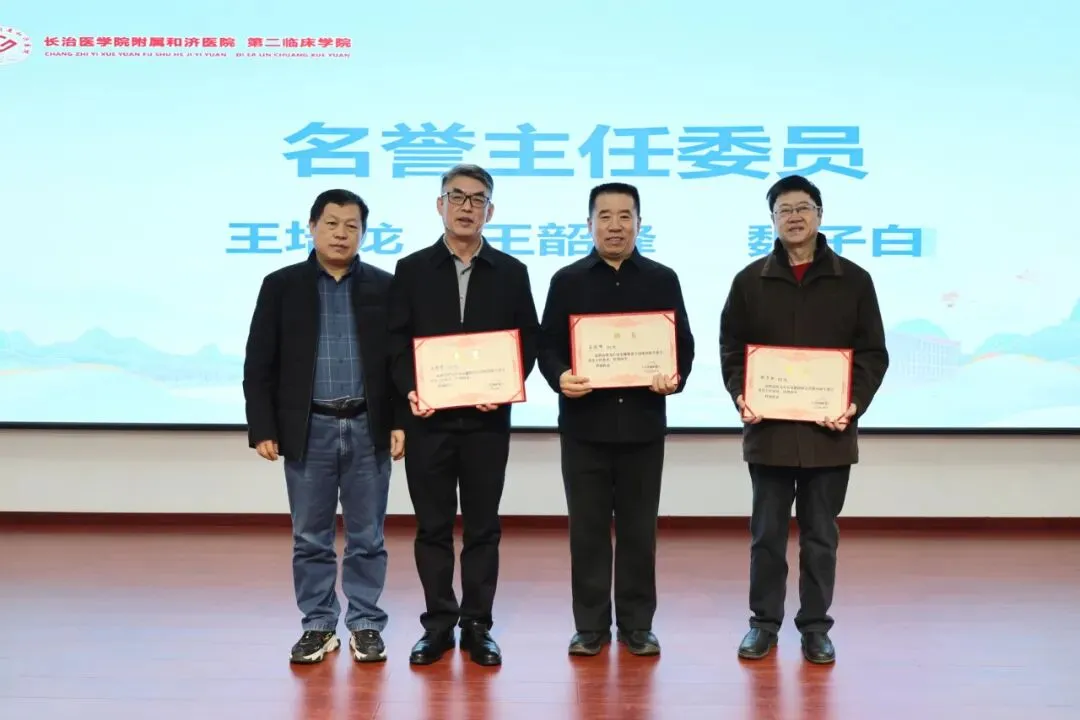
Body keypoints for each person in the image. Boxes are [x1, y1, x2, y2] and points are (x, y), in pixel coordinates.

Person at [719, 174, 889, 664]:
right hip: (769, 431)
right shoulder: (749, 280)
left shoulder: (853, 280)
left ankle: (815, 626)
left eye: (803, 208)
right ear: (772, 220)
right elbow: (732, 349)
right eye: (784, 210)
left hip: (828, 433)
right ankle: (763, 624)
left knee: (820, 537)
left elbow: (872, 353)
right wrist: (741, 394)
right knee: (766, 537)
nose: (794, 217)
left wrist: (852, 401)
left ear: (819, 214)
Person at [242, 189, 406, 665]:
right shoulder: (282, 285)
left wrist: (401, 422)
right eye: (331, 223)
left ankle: (366, 623)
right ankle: (318, 624)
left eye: (352, 226)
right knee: (310, 537)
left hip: (367, 426)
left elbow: (400, 363)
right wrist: (263, 426)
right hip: (309, 427)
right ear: (311, 227)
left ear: (364, 234)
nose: (341, 234)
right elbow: (259, 362)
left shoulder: (385, 287)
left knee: (367, 537)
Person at [387, 163, 539, 667]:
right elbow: (396, 342)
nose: (467, 207)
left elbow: (528, 340)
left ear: (490, 211)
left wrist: (504, 385)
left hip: (486, 424)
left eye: (477, 199)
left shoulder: (512, 272)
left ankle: (477, 625)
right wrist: (411, 389)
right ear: (440, 205)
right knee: (431, 528)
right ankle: (437, 625)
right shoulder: (411, 270)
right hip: (428, 422)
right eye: (457, 196)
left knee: (482, 528)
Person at [538, 182, 695, 658]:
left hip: (643, 426)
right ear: (589, 224)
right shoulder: (567, 280)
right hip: (584, 428)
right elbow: (548, 346)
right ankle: (590, 627)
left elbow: (682, 346)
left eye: (625, 216)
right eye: (604, 216)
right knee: (587, 532)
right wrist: (560, 375)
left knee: (638, 533)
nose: (614, 226)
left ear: (639, 224)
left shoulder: (662, 279)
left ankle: (637, 625)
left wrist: (674, 377)